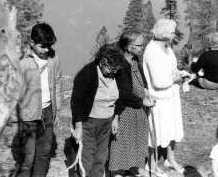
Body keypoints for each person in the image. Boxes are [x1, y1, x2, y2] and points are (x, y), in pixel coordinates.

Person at [12, 22, 62, 177]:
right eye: (43, 46)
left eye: (49, 46)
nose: (47, 50)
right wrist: (15, 117)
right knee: (28, 157)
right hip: (29, 114)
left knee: (44, 152)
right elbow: (15, 91)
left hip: (48, 111)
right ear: (31, 43)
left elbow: (57, 82)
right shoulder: (23, 62)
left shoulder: (54, 58)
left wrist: (57, 110)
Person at [143, 19, 190, 176]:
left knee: (172, 129)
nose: (174, 34)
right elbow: (158, 82)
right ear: (163, 33)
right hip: (159, 99)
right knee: (156, 133)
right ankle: (151, 165)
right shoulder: (152, 51)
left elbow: (172, 68)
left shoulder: (167, 47)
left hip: (171, 96)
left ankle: (170, 159)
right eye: (172, 32)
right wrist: (176, 79)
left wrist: (179, 74)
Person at [71, 45, 124, 177]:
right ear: (102, 62)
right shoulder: (86, 74)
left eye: (116, 70)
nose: (113, 73)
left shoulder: (117, 74)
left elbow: (121, 96)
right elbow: (76, 102)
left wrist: (116, 118)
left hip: (107, 122)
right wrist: (78, 127)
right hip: (88, 122)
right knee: (87, 156)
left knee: (101, 156)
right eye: (111, 69)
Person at [109, 32, 156, 177]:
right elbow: (124, 93)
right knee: (123, 140)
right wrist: (142, 101)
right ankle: (117, 170)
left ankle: (134, 167)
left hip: (138, 109)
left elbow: (142, 78)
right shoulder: (121, 64)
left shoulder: (135, 60)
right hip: (125, 109)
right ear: (128, 47)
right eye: (139, 45)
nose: (142, 47)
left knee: (137, 138)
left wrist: (146, 90)